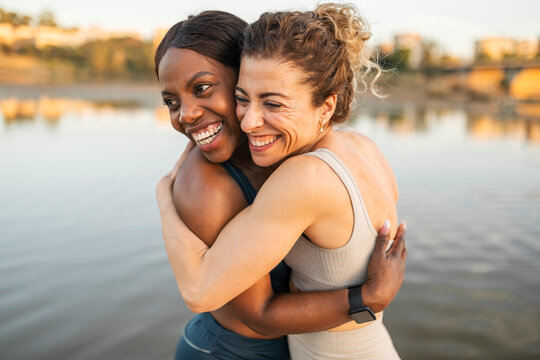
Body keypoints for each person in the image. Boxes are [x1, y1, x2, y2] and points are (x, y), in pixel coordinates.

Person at [156, 7, 406, 360]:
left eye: (272, 101)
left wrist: (162, 200)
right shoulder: (363, 146)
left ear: (325, 107)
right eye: (244, 99)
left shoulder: (303, 172)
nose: (249, 121)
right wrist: (366, 300)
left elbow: (202, 293)